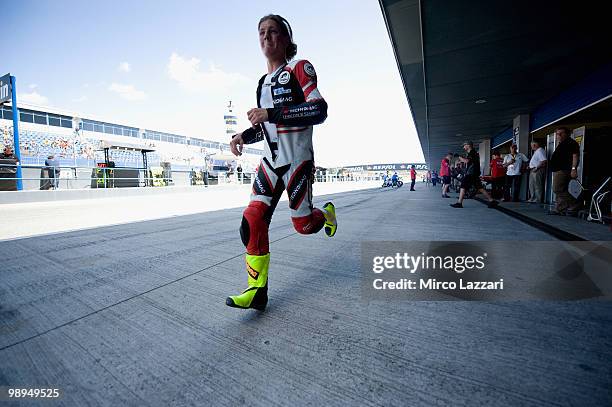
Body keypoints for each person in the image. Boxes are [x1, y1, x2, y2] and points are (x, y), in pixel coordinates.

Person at [226, 14, 336, 311]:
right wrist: (242, 136)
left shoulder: (300, 68)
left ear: (287, 39)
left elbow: (319, 110)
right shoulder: (262, 82)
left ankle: (325, 215)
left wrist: (271, 114)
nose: (266, 36)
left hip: (297, 160)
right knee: (251, 220)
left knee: (303, 225)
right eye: (261, 32)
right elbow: (265, 126)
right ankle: (257, 291)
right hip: (269, 162)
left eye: (273, 31)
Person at [450, 141, 498, 208]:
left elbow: (467, 161)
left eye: (464, 145)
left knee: (463, 185)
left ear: (468, 145)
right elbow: (469, 162)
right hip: (474, 173)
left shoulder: (472, 153)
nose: (463, 147)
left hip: (471, 173)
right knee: (480, 187)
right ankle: (491, 200)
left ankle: (459, 203)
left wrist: (459, 157)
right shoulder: (473, 153)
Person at [548, 127, 580, 216]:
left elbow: (575, 156)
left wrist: (574, 169)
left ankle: (575, 204)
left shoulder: (571, 143)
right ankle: (560, 209)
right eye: (558, 134)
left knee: (557, 189)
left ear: (567, 134)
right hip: (559, 170)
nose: (559, 135)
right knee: (561, 190)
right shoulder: (562, 143)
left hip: (564, 170)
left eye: (561, 133)